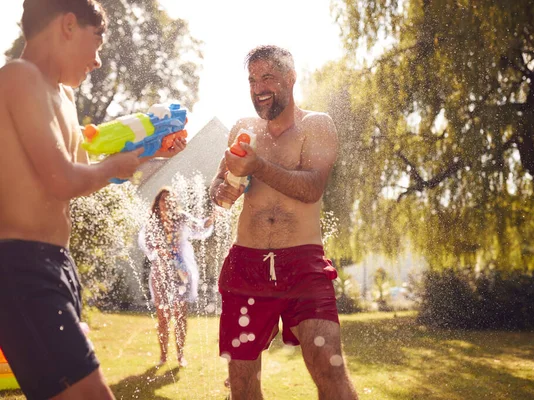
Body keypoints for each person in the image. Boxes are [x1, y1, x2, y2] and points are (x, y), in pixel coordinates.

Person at [0, 1, 186, 399]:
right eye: (97, 42)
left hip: (56, 266)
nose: (98, 61)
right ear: (68, 25)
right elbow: (62, 179)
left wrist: (151, 152)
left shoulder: (63, 98)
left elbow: (88, 175)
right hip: (21, 267)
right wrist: (112, 166)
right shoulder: (18, 77)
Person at [210, 45, 358, 400]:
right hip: (246, 266)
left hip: (303, 265)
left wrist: (258, 167)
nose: (258, 86)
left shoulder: (316, 125)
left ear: (291, 79)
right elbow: (219, 183)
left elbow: (312, 187)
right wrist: (222, 192)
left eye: (268, 77)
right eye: (252, 79)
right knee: (242, 383)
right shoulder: (242, 128)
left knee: (328, 366)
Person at [138, 187, 214, 368]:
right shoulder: (152, 222)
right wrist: (156, 248)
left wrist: (212, 218)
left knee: (180, 316)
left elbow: (201, 228)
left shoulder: (182, 218)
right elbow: (145, 243)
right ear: (157, 203)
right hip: (160, 273)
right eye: (163, 199)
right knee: (163, 317)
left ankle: (180, 356)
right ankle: (163, 356)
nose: (167, 203)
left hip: (182, 274)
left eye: (170, 199)